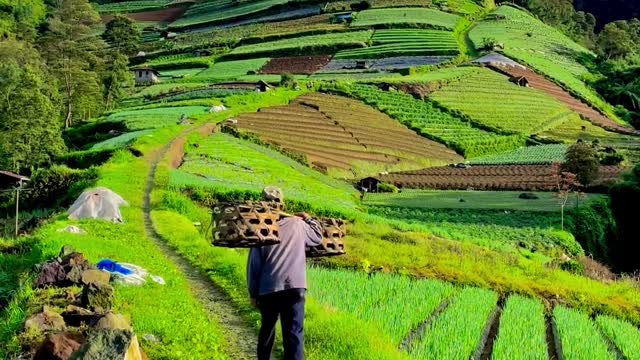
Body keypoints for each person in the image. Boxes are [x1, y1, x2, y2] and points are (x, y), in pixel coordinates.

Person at [247, 186, 323, 360]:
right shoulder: (298, 224)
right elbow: (318, 236)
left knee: (267, 330)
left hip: (268, 290)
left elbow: (254, 265)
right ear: (282, 205)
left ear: (262, 204)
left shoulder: (260, 228)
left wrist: (253, 293)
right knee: (294, 334)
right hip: (295, 288)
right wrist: (309, 218)